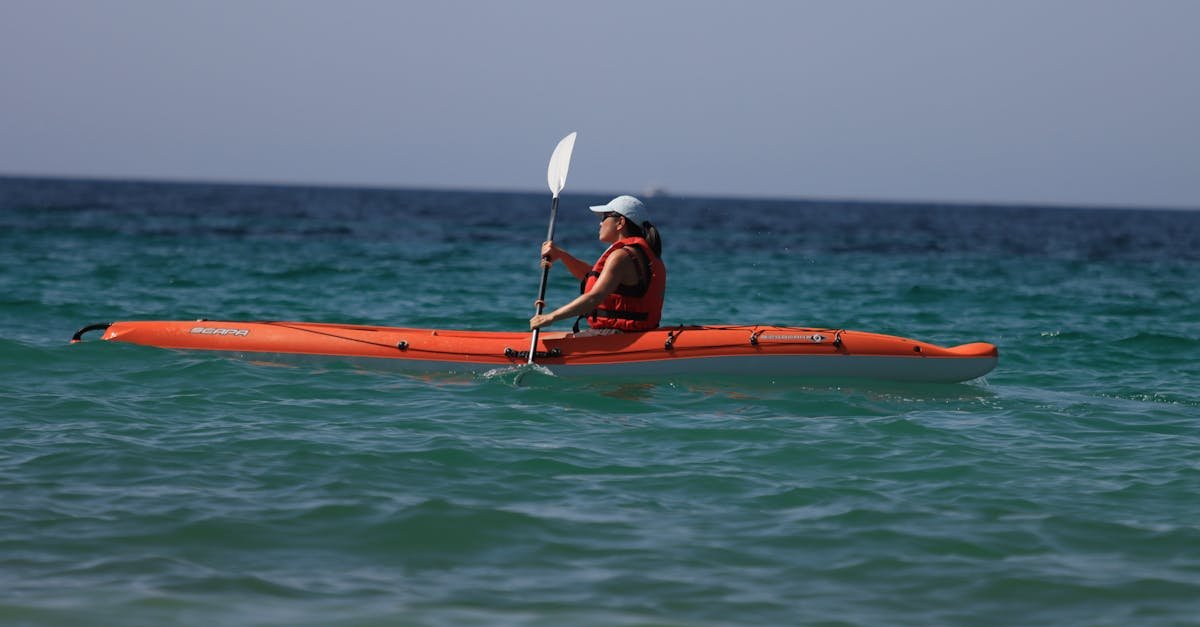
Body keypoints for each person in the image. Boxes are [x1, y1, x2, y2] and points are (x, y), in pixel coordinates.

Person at [529, 195, 666, 333]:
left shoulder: (621, 256)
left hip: (619, 335)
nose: (600, 223)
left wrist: (550, 317)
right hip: (633, 331)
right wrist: (562, 255)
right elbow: (592, 277)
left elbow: (594, 298)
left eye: (604, 217)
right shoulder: (639, 253)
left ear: (620, 223)